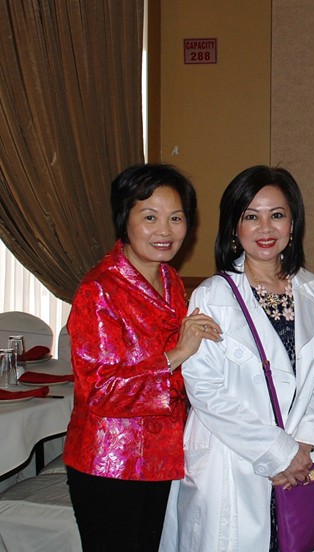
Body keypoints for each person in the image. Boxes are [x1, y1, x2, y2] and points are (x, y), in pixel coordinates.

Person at [159, 166, 314, 551]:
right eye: (251, 216)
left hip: (298, 463)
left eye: (277, 215)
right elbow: (205, 390)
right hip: (231, 460)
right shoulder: (212, 296)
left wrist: (305, 446)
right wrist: (278, 453)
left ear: (293, 223)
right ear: (234, 227)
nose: (265, 228)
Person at [64, 164, 221, 552]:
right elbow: (100, 390)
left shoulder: (170, 280)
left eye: (176, 218)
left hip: (163, 457)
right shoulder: (99, 290)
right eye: (150, 217)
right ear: (125, 218)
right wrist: (177, 354)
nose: (165, 231)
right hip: (110, 464)